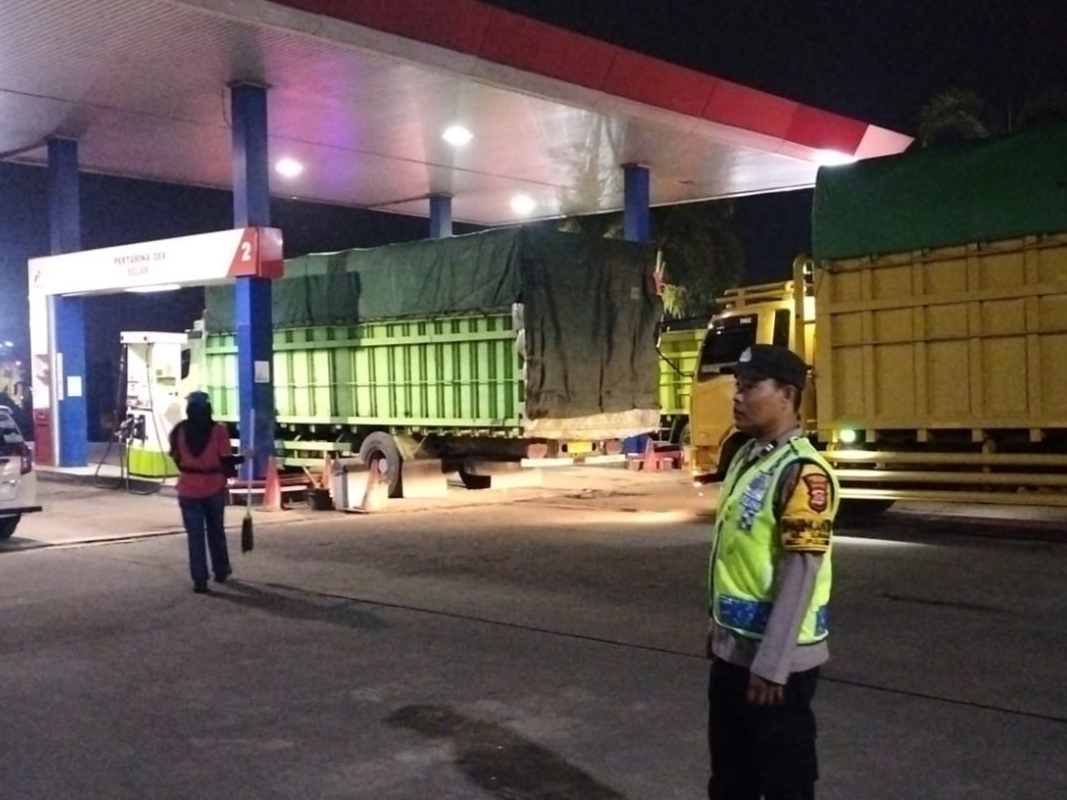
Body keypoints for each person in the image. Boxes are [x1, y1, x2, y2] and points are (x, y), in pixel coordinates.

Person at [706, 344, 840, 800]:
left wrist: (772, 666)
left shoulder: (803, 472)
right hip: (734, 653)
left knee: (785, 783)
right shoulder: (748, 456)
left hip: (776, 665)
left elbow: (799, 573)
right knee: (730, 779)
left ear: (786, 394)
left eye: (749, 387)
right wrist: (718, 632)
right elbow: (735, 555)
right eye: (737, 386)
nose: (737, 397)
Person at [169, 391, 241, 594]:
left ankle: (199, 580)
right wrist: (244, 458)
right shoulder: (219, 431)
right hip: (213, 487)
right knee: (216, 531)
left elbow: (175, 456)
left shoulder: (179, 430)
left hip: (188, 489)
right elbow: (226, 460)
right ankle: (221, 570)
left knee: (195, 536)